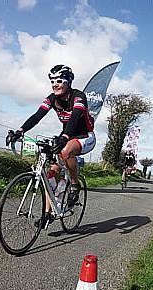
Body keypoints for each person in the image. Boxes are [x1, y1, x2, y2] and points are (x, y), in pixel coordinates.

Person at [7, 65, 95, 225]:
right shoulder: (52, 98)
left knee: (67, 151)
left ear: (68, 82)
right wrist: (20, 131)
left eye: (59, 81)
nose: (55, 84)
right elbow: (37, 115)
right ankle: (48, 213)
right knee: (50, 174)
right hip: (66, 136)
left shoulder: (78, 96)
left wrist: (65, 137)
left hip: (85, 136)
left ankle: (75, 186)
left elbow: (75, 117)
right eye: (52, 81)